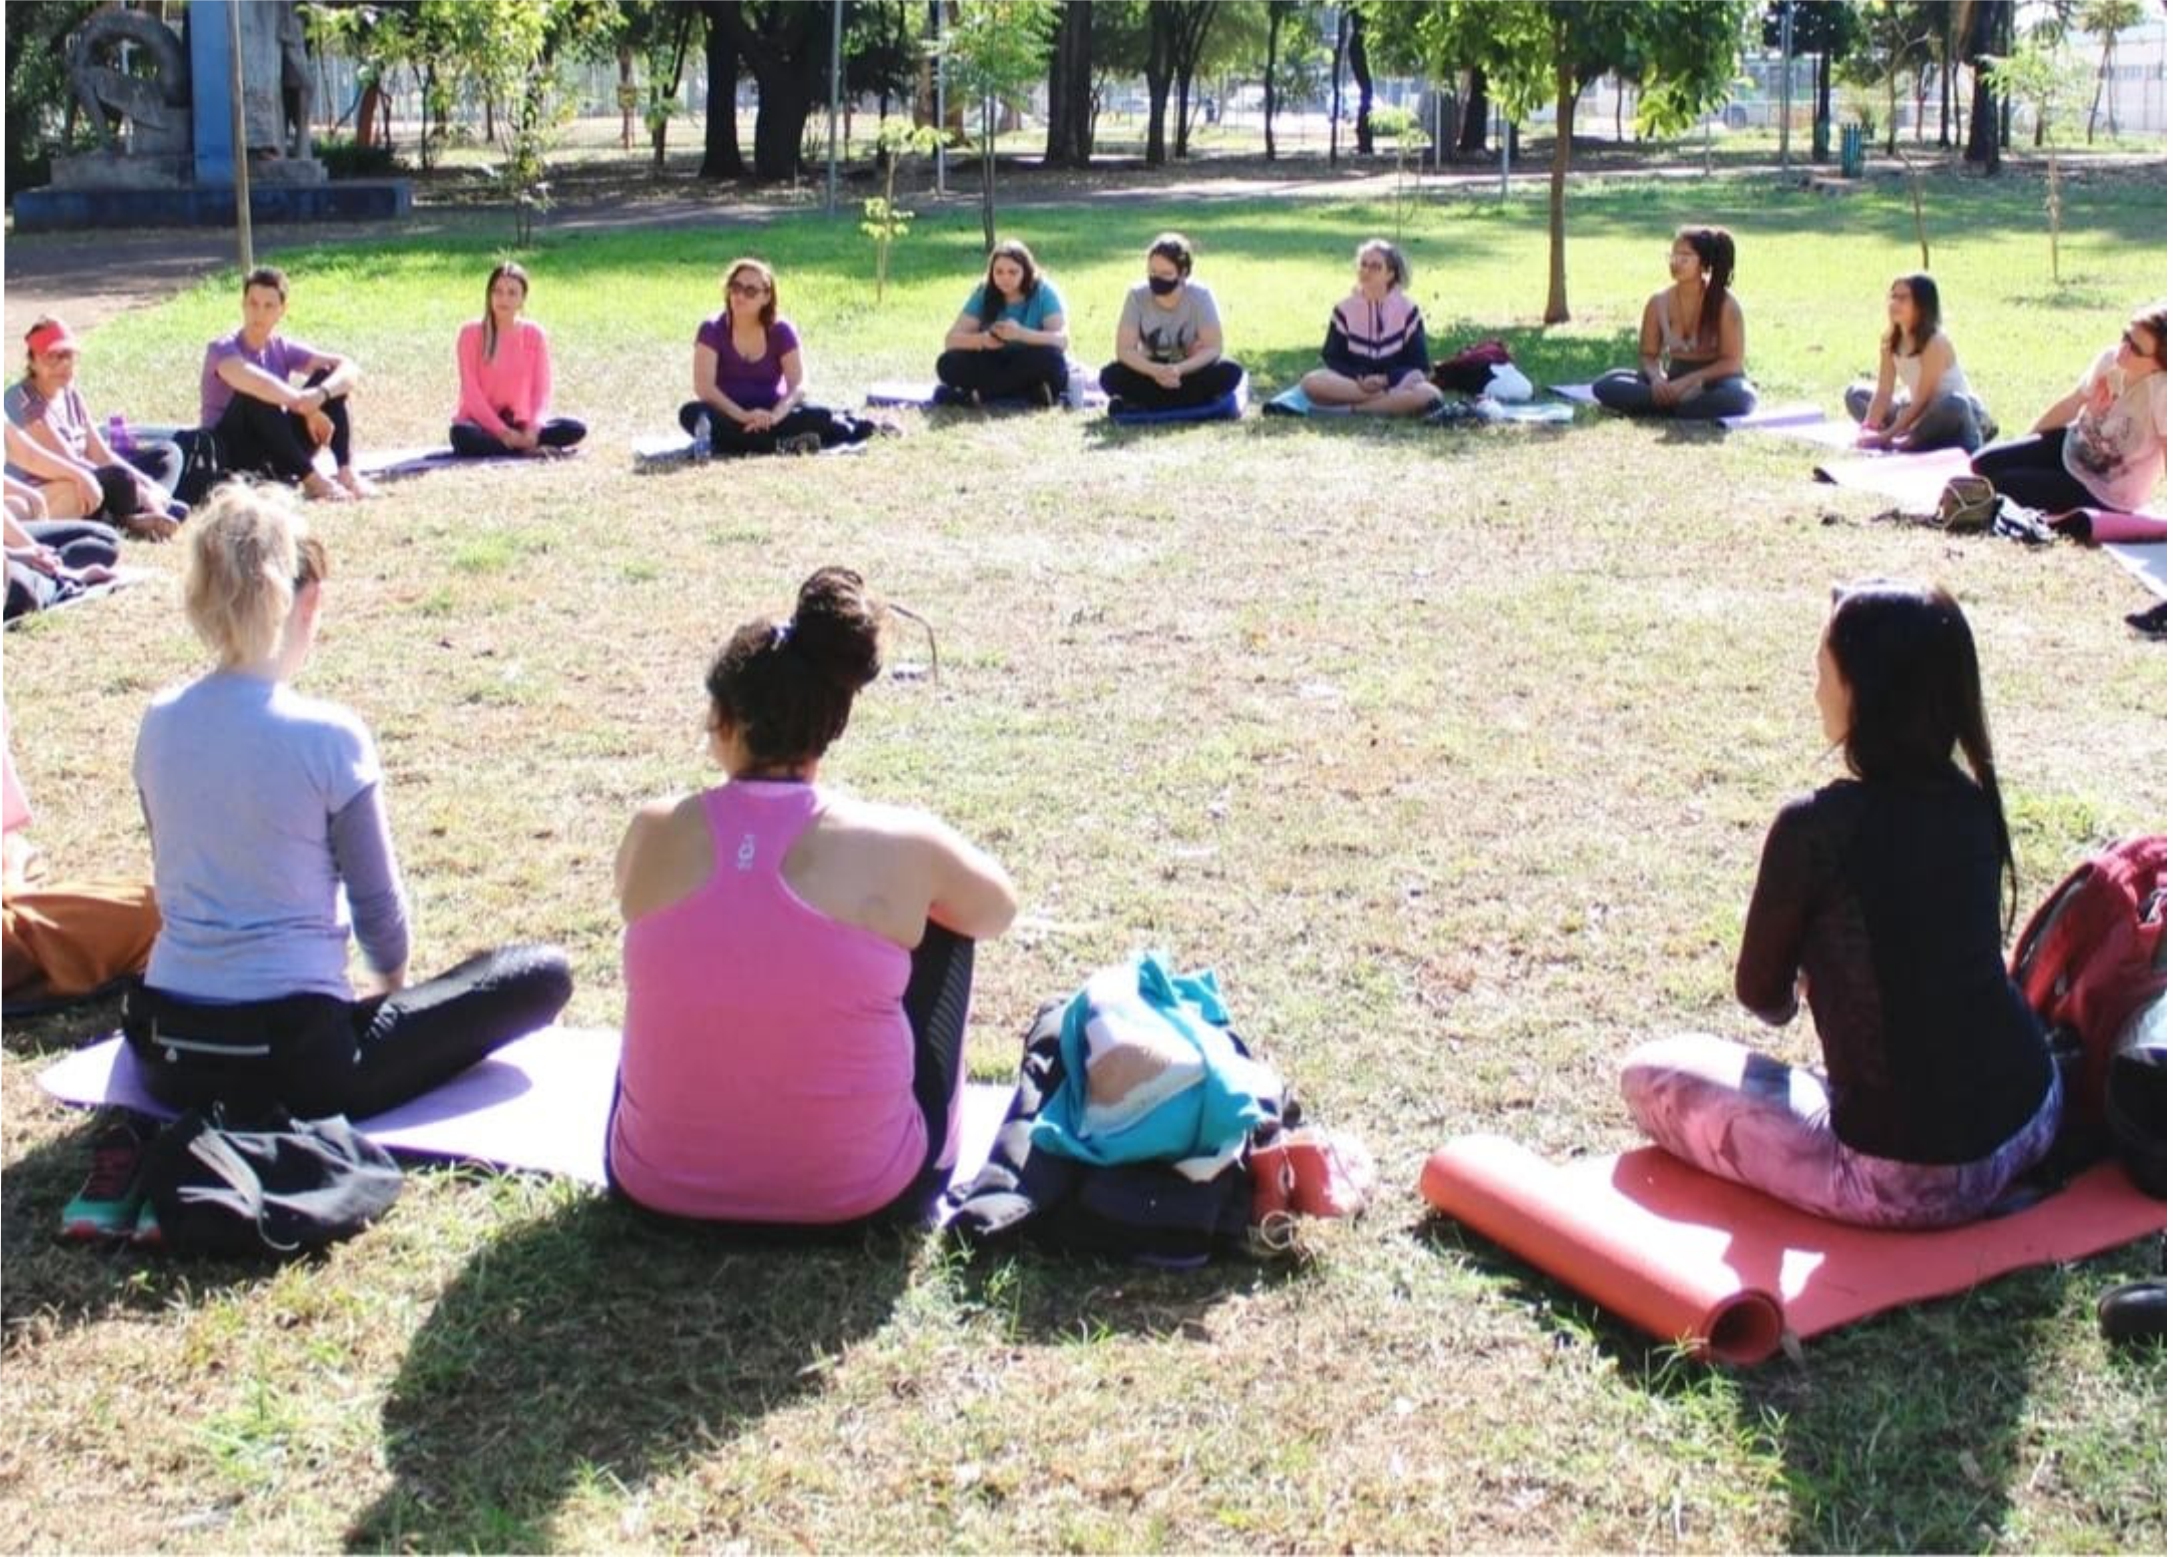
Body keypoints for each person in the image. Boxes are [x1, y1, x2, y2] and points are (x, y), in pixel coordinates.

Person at [122, 483, 572, 1119]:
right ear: (308, 601)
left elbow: (174, 871)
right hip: (296, 1062)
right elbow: (379, 913)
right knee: (542, 974)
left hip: (165, 1053)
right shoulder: (328, 735)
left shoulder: (159, 720)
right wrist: (392, 998)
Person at [1620, 581, 2059, 1230]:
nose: (1815, 692)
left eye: (1823, 674)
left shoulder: (1814, 828)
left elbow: (1761, 995)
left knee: (1647, 1074)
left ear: (1864, 692)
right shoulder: (1971, 803)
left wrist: (1812, 979)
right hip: (2035, 1111)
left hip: (1910, 1179)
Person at [608, 566, 1018, 1230]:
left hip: (654, 1182)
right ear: (832, 723)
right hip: (864, 1195)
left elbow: (646, 907)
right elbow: (996, 909)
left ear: (723, 719)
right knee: (943, 915)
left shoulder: (654, 828)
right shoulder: (903, 842)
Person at [198, 265, 376, 502]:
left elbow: (348, 368)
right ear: (243, 304)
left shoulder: (280, 347)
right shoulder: (221, 348)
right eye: (253, 303)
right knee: (255, 395)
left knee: (328, 376)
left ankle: (347, 472)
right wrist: (304, 405)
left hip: (276, 450)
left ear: (282, 310)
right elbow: (255, 383)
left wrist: (320, 395)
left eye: (268, 306)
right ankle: (313, 481)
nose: (259, 313)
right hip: (231, 455)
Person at [1971, 302, 2166, 515]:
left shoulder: (2162, 393)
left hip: (2105, 491)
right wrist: (2025, 442)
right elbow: (2071, 404)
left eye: (2136, 349)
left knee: (2002, 484)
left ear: (2159, 364)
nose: (2124, 349)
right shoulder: (2110, 361)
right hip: (2072, 449)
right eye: (2126, 336)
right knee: (1982, 463)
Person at [678, 258, 880, 458]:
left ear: (766, 297)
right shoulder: (711, 329)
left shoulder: (781, 330)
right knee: (691, 413)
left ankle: (744, 442)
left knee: (820, 414)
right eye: (735, 287)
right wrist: (743, 416)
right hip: (729, 414)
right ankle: (781, 444)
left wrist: (774, 416)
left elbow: (798, 384)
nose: (740, 295)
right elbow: (704, 388)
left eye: (750, 291)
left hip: (775, 415)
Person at [5, 317, 184, 538]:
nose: (63, 364)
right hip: (60, 486)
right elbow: (70, 462)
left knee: (168, 455)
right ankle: (136, 514)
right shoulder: (22, 401)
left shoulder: (70, 394)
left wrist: (148, 486)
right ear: (32, 362)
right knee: (116, 478)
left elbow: (101, 455)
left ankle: (147, 506)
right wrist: (141, 490)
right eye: (52, 357)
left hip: (89, 475)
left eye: (68, 356)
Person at [1592, 225, 1757, 420]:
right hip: (1673, 379)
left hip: (1717, 381)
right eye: (1673, 256)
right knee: (1605, 384)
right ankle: (1681, 405)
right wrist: (1657, 380)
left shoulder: (1726, 304)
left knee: (1741, 397)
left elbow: (1732, 362)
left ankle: (1675, 406)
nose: (1675, 262)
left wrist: (1688, 382)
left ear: (1703, 264)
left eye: (1684, 257)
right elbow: (1648, 355)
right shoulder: (1658, 302)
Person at [450, 260, 588, 458]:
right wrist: (502, 432)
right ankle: (522, 449)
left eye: (512, 293)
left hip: (519, 425)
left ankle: (519, 445)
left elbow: (541, 391)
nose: (503, 298)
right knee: (461, 435)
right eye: (497, 291)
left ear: (522, 299)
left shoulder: (534, 334)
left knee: (575, 428)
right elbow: (471, 393)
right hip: (481, 425)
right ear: (489, 295)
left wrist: (533, 429)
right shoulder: (470, 333)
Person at [1098, 232, 1247, 414]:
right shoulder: (1137, 296)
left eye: (1166, 274)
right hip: (1149, 373)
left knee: (1229, 371)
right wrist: (1155, 370)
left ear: (1183, 273)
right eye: (1152, 273)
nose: (1157, 279)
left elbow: (1213, 348)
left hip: (1189, 372)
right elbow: (1124, 350)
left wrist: (1178, 369)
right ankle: (1189, 401)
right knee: (1111, 376)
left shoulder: (1201, 296)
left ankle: (1150, 402)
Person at [1844, 274, 1995, 453]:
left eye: (1903, 298)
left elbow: (1923, 399)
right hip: (1915, 413)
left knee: (1956, 403)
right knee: (1854, 394)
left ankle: (1909, 440)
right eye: (1893, 297)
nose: (1894, 303)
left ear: (1921, 305)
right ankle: (1908, 436)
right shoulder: (1889, 340)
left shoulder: (1935, 342)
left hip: (1953, 415)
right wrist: (1868, 427)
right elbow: (1884, 391)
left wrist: (1886, 437)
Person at [1297, 238, 1443, 417]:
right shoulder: (1344, 309)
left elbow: (1418, 364)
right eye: (1363, 265)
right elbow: (1333, 358)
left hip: (1394, 383)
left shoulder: (1408, 310)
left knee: (1430, 394)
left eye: (1375, 267)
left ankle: (1350, 410)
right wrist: (1362, 377)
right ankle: (1387, 402)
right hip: (1354, 384)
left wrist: (1385, 380)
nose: (1366, 271)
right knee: (1311, 382)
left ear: (1390, 274)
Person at [934, 238, 1071, 407]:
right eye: (998, 272)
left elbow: (1062, 340)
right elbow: (951, 340)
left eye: (1013, 272)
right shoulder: (984, 292)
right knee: (948, 363)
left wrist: (1020, 334)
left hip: (1030, 358)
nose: (1005, 278)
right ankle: (1028, 392)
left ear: (1026, 271)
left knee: (1053, 362)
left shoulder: (1044, 292)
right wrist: (983, 340)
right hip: (992, 359)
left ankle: (978, 396)